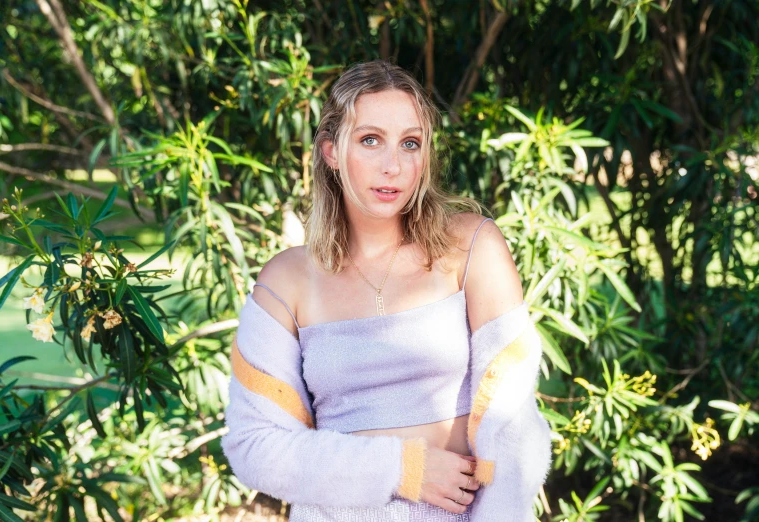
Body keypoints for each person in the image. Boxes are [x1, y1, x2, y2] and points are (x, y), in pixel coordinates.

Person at [221, 59, 552, 522]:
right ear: (332, 151)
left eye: (410, 143)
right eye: (370, 140)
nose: (394, 165)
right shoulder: (286, 280)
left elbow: (512, 423)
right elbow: (254, 444)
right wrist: (403, 468)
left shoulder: (473, 246)